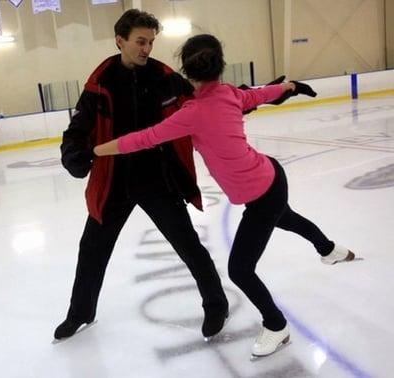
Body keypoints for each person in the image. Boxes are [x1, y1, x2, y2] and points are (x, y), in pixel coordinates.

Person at [93, 34, 356, 358]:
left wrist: (97, 150)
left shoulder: (191, 113)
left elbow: (143, 138)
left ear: (188, 72)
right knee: (285, 219)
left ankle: (276, 325)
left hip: (263, 192)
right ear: (221, 66)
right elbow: (260, 95)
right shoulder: (231, 94)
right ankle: (329, 249)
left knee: (240, 270)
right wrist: (288, 87)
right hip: (271, 178)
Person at [56, 9, 229, 342]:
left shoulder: (164, 77)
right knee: (92, 248)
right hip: (113, 182)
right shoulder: (100, 81)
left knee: (189, 245)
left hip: (158, 179)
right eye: (140, 41)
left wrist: (259, 96)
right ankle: (80, 313)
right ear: (120, 40)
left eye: (150, 41)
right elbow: (79, 127)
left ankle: (216, 303)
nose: (146, 48)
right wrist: (73, 152)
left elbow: (208, 101)